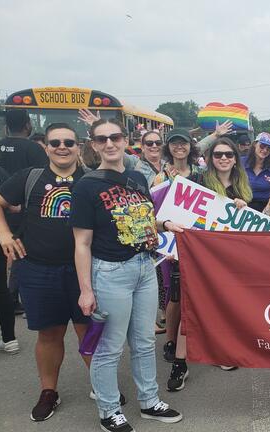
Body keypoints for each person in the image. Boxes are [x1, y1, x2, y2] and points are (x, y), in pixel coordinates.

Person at [71, 118, 183, 432]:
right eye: (102, 139)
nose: (109, 143)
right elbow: (81, 242)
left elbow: (143, 220)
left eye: (115, 137)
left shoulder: (136, 177)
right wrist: (85, 289)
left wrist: (166, 226)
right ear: (93, 145)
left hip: (144, 267)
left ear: (123, 140)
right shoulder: (87, 186)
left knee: (145, 341)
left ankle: (149, 401)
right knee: (111, 345)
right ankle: (109, 410)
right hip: (110, 272)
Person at [0, 123, 94, 421]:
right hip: (38, 270)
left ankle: (102, 387)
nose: (62, 147)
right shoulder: (30, 177)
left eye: (68, 142)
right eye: (55, 143)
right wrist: (3, 234)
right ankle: (48, 391)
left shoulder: (92, 180)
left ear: (78, 146)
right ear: (46, 147)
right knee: (49, 334)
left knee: (89, 333)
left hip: (85, 272)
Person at [166, 137, 251, 392]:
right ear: (210, 159)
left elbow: (247, 228)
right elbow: (175, 216)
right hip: (198, 259)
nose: (223, 158)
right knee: (190, 310)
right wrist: (170, 245)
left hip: (228, 261)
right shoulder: (197, 182)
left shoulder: (242, 188)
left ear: (235, 158)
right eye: (218, 155)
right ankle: (180, 363)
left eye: (228, 154)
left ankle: (219, 353)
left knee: (222, 308)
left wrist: (243, 208)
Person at [152, 129, 204, 364]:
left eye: (183, 143)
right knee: (174, 296)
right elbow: (152, 212)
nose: (179, 147)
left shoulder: (201, 174)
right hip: (170, 242)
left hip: (196, 242)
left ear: (190, 146)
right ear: (168, 147)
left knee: (196, 293)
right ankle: (171, 341)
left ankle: (195, 339)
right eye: (174, 143)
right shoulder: (159, 178)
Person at [0, 109, 49, 316]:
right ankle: (14, 296)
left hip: (2, 209)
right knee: (22, 253)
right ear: (27, 124)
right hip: (24, 211)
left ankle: (7, 295)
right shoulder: (33, 149)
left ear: (6, 126)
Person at [0, 162, 17, 357]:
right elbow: (14, 206)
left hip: (0, 235)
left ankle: (9, 339)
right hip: (0, 236)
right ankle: (10, 338)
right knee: (1, 288)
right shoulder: (0, 170)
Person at [244, 132, 270, 212]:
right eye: (262, 146)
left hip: (267, 208)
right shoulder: (241, 162)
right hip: (243, 205)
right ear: (254, 144)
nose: (265, 150)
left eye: (268, 148)